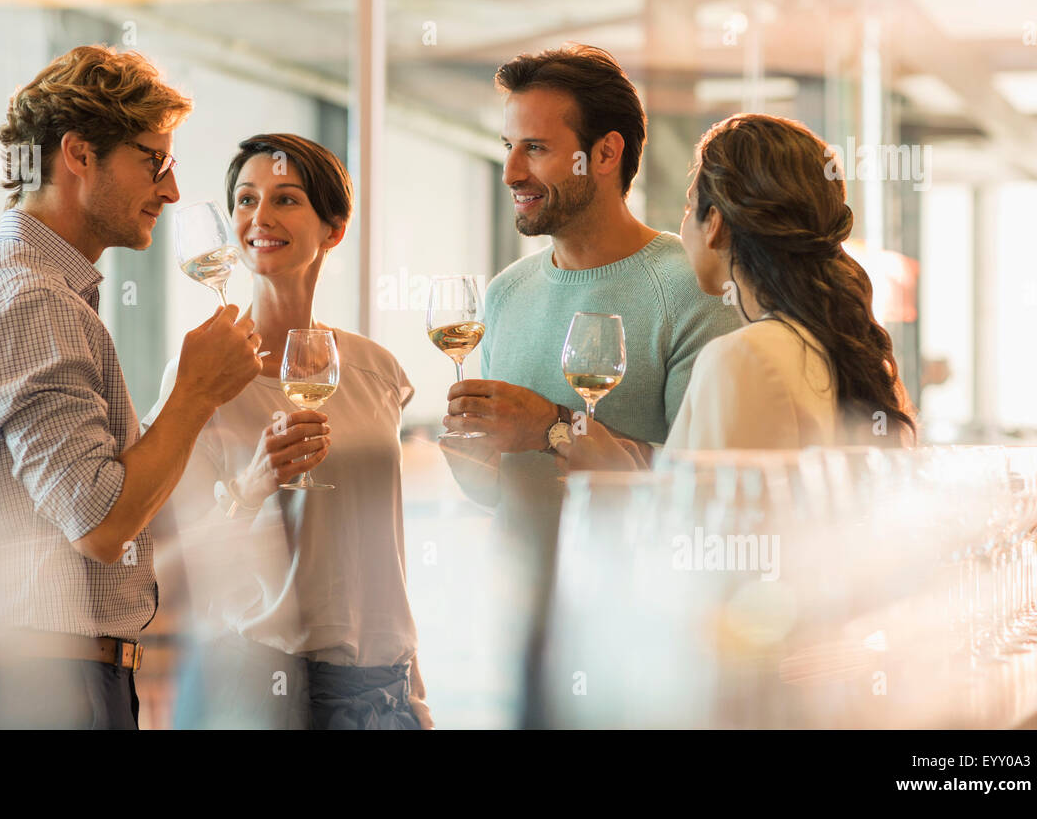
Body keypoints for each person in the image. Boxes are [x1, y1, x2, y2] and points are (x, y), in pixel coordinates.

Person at [0, 45, 263, 729]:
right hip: (33, 686)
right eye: (153, 162)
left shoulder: (37, 292)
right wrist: (194, 393)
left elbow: (111, 510)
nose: (170, 191)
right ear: (78, 155)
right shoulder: (31, 298)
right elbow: (100, 525)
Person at [438, 44, 740, 725]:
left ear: (604, 155)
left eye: (536, 148)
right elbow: (507, 487)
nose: (512, 170)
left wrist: (551, 427)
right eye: (509, 146)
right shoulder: (505, 295)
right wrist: (475, 463)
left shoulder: (689, 288)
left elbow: (709, 488)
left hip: (647, 645)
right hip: (521, 636)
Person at [143, 133, 432, 730]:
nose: (260, 217)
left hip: (381, 689)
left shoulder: (377, 371)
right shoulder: (201, 374)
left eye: (286, 199)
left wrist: (415, 695)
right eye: (246, 200)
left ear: (334, 227)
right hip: (260, 685)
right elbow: (171, 551)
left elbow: (387, 550)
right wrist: (251, 487)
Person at [558, 112, 917, 470]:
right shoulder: (827, 345)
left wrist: (611, 479)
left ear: (714, 223)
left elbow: (713, 521)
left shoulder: (742, 357)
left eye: (689, 206)